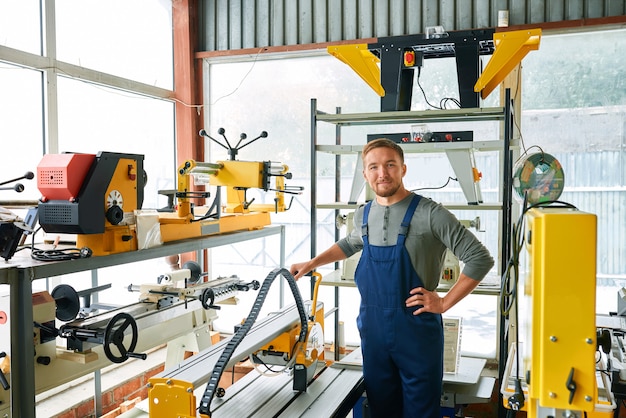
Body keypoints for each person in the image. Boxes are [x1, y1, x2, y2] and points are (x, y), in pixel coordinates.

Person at [290, 138, 494, 418]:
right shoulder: (363, 214)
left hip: (416, 333)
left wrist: (444, 303)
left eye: (390, 165)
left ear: (403, 169)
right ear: (365, 174)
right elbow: (350, 244)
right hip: (373, 332)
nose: (382, 173)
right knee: (381, 409)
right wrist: (313, 263)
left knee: (421, 411)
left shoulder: (430, 213)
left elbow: (480, 258)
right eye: (373, 167)